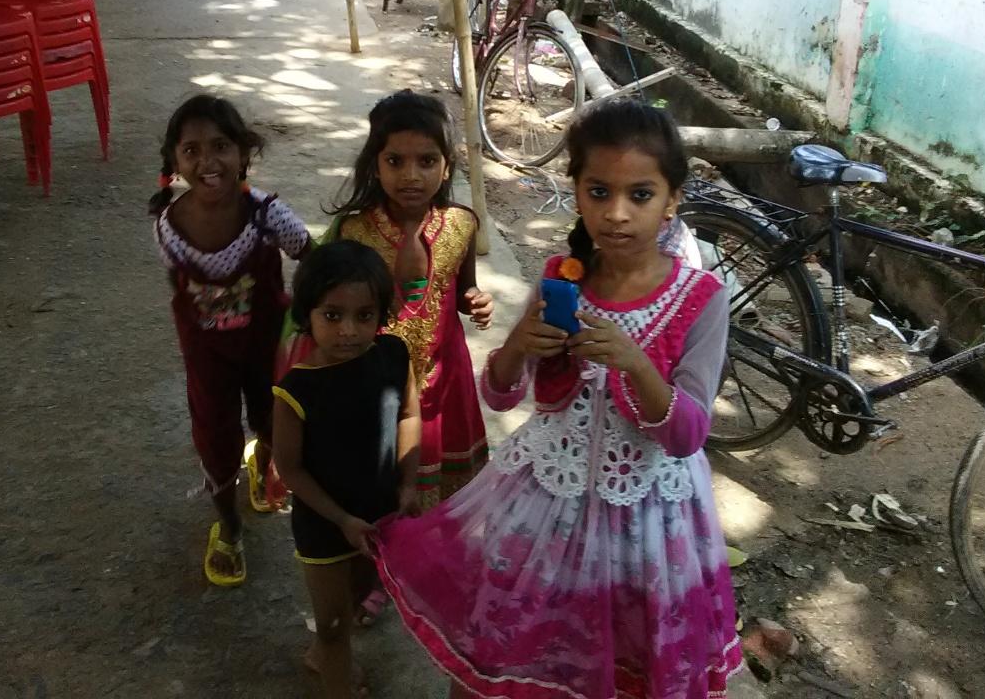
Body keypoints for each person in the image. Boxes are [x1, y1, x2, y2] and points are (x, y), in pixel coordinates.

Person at [376, 99, 744, 699]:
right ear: (575, 190)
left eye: (641, 195)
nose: (617, 214)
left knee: (624, 660)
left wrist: (634, 363)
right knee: (501, 646)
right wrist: (520, 343)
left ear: (673, 199)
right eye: (598, 191)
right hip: (547, 497)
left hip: (647, 522)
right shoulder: (562, 276)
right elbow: (498, 394)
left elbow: (688, 435)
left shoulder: (701, 297)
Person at [151, 95, 312, 587]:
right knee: (214, 433)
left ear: (244, 153)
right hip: (207, 358)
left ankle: (265, 461)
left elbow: (311, 254)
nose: (207, 162)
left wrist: (308, 322)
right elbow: (177, 287)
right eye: (191, 150)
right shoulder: (166, 227)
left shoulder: (268, 215)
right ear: (174, 162)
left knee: (272, 416)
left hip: (267, 346)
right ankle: (229, 523)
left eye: (220, 146)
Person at [326, 90, 492, 511]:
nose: (411, 175)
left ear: (446, 166)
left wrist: (474, 300)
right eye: (395, 161)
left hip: (447, 378)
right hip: (382, 384)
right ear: (375, 167)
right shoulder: (355, 234)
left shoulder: (461, 225)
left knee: (445, 508)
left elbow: (459, 290)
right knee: (386, 492)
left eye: (427, 161)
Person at [272, 241, 421, 699]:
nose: (349, 331)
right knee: (335, 624)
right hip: (324, 525)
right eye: (332, 315)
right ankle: (332, 660)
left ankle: (323, 652)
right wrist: (341, 520)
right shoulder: (296, 389)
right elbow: (291, 469)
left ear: (381, 314)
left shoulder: (393, 356)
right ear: (307, 313)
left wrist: (410, 482)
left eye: (364, 315)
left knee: (357, 598)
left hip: (379, 517)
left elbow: (410, 415)